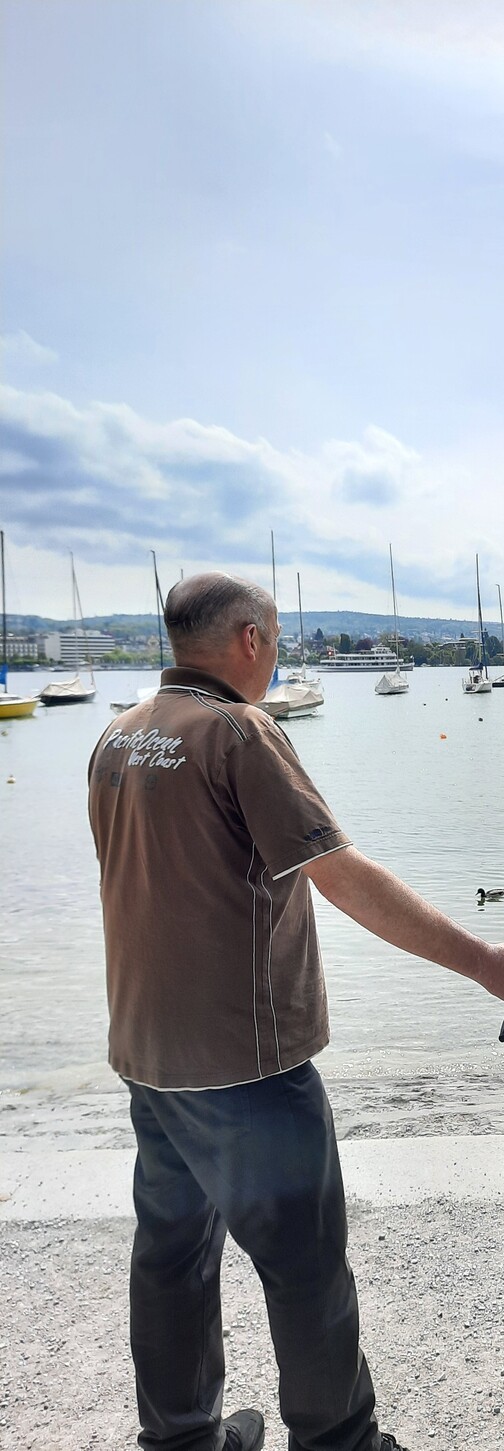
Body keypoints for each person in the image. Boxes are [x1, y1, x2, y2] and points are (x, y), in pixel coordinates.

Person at [88, 573, 504, 1451]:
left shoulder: (115, 739)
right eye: (274, 636)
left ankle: (179, 1437)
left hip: (147, 1054)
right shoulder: (243, 733)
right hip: (249, 1066)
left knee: (171, 1254)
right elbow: (344, 877)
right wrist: (486, 963)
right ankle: (340, 1443)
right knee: (306, 1267)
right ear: (248, 639)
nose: (276, 652)